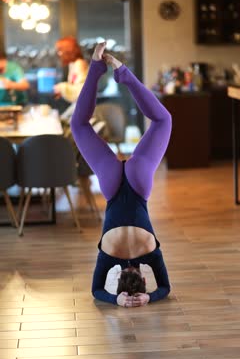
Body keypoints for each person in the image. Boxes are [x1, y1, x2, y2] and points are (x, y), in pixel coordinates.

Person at [71, 42, 172, 307]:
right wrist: (117, 300)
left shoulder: (150, 251)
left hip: (139, 183)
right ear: (118, 279)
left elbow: (165, 288)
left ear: (141, 276)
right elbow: (96, 291)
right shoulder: (109, 254)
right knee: (79, 126)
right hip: (111, 184)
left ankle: (122, 71)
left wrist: (148, 297)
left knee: (163, 121)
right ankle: (97, 65)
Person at [53, 36, 89, 105]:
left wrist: (61, 87)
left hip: (83, 105)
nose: (59, 53)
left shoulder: (79, 63)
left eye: (60, 50)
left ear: (68, 51)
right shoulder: (73, 64)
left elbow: (81, 90)